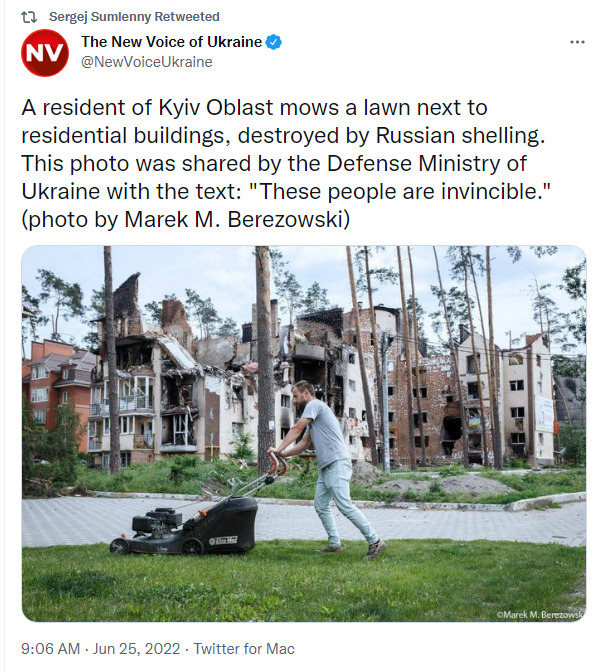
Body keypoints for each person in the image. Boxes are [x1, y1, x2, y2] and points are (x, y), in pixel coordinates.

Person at [270, 380, 386, 560]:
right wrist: (284, 454)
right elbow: (303, 444)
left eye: (295, 396)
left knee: (344, 504)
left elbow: (296, 428)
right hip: (327, 466)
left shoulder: (315, 405)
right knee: (321, 505)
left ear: (306, 393)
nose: (294, 400)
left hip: (337, 462)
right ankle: (334, 544)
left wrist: (278, 448)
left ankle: (375, 541)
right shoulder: (313, 418)